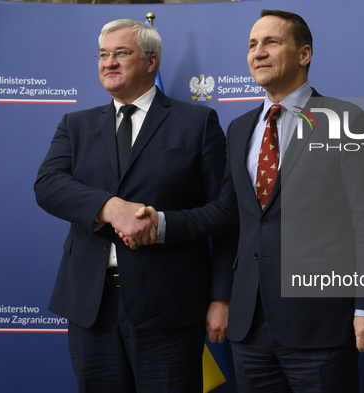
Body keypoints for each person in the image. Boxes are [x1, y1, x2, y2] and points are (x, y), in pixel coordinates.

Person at [126, 9, 364, 392]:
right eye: (252, 45)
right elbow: (227, 214)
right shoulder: (239, 129)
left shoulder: (343, 120)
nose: (258, 52)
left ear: (304, 54)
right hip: (249, 326)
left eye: (271, 42)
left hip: (318, 322)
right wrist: (162, 223)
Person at [34, 19, 235, 392]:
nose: (108, 62)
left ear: (151, 61)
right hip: (90, 309)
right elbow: (48, 185)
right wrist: (110, 207)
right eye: (102, 55)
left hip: (169, 309)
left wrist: (161, 227)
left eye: (121, 53)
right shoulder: (74, 125)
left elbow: (224, 212)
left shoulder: (197, 122)